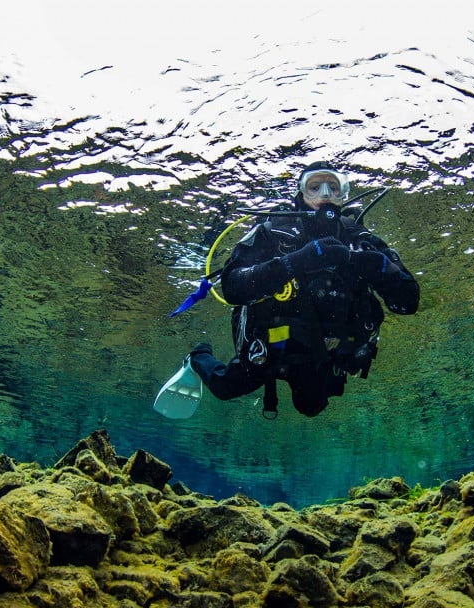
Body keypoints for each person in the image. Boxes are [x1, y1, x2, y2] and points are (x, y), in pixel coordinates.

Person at [167, 162, 419, 418]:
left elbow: (409, 303)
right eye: (314, 187)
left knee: (311, 407)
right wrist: (295, 262)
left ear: (344, 195)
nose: (324, 195)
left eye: (333, 188)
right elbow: (232, 287)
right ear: (300, 194)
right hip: (271, 346)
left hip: (321, 352)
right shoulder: (271, 233)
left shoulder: (360, 240)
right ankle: (197, 355)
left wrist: (381, 266)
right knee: (224, 387)